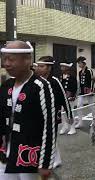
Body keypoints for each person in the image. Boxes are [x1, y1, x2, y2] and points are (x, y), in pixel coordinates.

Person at [0, 40, 56, 179]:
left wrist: (45, 162)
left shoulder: (41, 86)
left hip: (28, 152)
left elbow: (49, 125)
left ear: (27, 60)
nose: (6, 64)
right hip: (6, 151)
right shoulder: (7, 85)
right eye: (4, 59)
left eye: (11, 59)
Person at [35, 56, 74, 169]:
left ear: (49, 68)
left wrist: (69, 115)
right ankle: (51, 159)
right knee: (42, 138)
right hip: (40, 116)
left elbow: (64, 99)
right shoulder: (36, 81)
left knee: (52, 138)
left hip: (53, 116)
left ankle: (55, 160)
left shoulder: (55, 81)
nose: (38, 68)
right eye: (38, 66)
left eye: (41, 66)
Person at [76, 56, 95, 128]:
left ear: (84, 63)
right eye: (78, 63)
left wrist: (91, 90)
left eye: (79, 63)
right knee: (79, 105)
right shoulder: (80, 72)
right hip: (82, 91)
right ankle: (80, 122)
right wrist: (79, 91)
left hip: (88, 90)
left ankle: (94, 120)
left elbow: (92, 81)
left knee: (91, 106)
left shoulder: (89, 71)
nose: (79, 65)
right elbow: (80, 82)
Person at [59, 62, 78, 135]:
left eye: (63, 67)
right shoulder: (61, 75)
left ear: (67, 68)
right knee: (62, 113)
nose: (61, 68)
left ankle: (72, 128)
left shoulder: (72, 76)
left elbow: (74, 87)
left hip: (70, 98)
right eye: (61, 67)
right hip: (62, 97)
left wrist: (72, 96)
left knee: (70, 112)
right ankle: (65, 126)